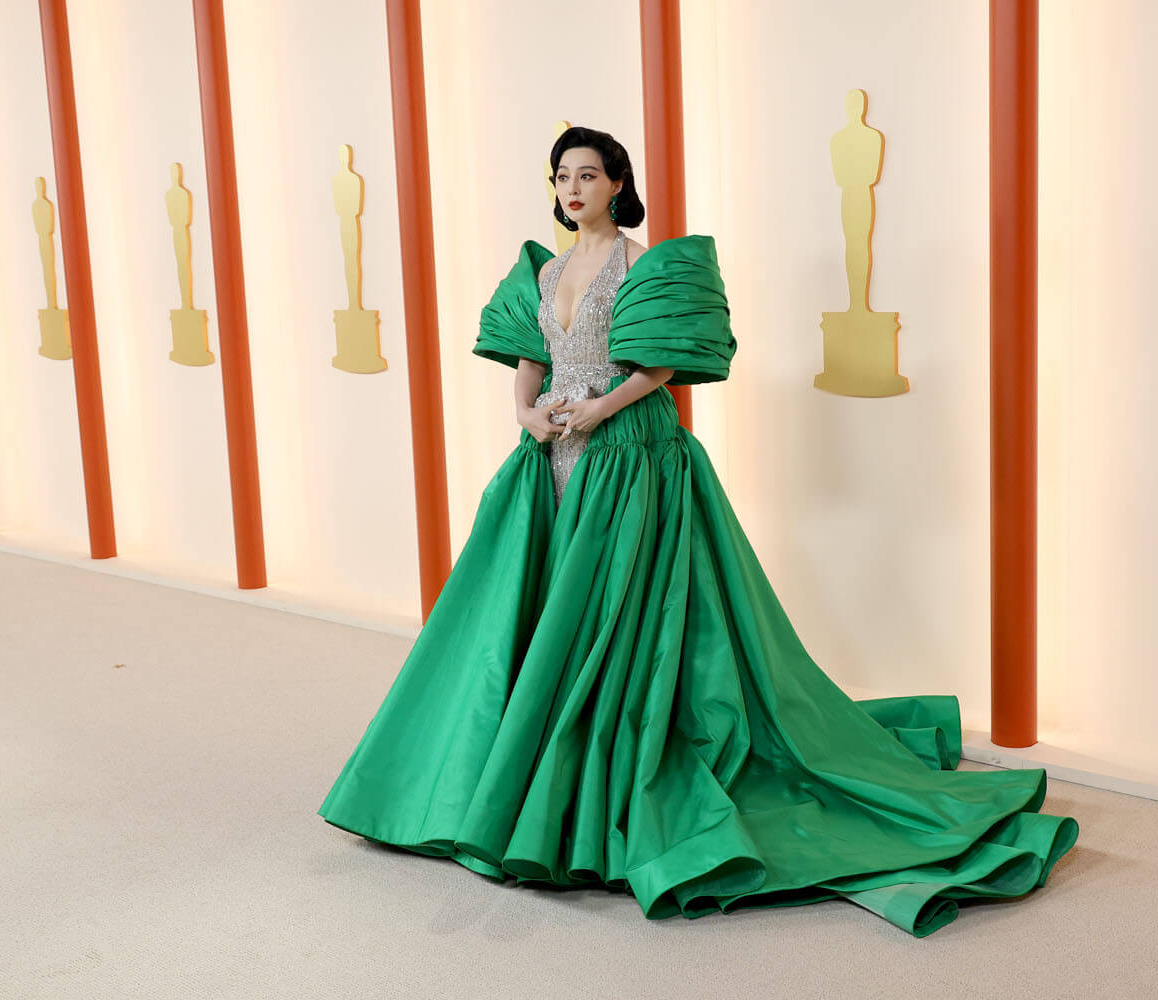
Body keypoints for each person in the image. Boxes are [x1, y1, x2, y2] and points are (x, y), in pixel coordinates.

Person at [319, 126, 1077, 937]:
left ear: (617, 184)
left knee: (618, 615)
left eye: (588, 175)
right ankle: (522, 767)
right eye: (562, 176)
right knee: (530, 611)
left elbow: (663, 364)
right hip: (551, 457)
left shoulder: (643, 264)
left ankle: (608, 767)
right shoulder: (544, 270)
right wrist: (525, 414)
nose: (572, 188)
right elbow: (529, 357)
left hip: (630, 456)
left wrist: (602, 408)